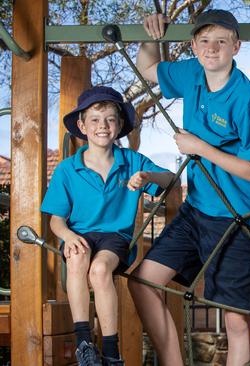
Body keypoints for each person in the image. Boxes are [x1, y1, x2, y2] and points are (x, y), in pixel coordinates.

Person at [128, 9, 250, 366]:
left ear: (235, 47)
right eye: (204, 41)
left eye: (221, 41)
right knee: (144, 281)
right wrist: (152, 36)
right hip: (197, 211)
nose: (212, 48)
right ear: (193, 45)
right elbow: (148, 71)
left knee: (236, 320)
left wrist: (200, 147)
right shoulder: (192, 73)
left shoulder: (249, 101)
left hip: (241, 219)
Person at [41, 86, 175, 366]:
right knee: (77, 257)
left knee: (100, 269)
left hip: (115, 238)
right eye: (95, 119)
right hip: (79, 236)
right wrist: (67, 235)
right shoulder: (67, 169)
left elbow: (169, 179)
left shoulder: (131, 162)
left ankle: (112, 352)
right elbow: (56, 220)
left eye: (110, 119)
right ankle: (85, 344)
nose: (103, 126)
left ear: (120, 125)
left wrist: (147, 175)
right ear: (82, 125)